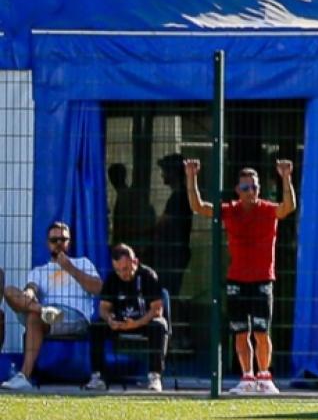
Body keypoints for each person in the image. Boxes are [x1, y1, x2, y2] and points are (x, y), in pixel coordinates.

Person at [185, 157, 295, 395]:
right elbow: (199, 206)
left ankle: (265, 377)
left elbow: (288, 207)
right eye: (245, 188)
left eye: (254, 187)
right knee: (240, 331)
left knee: (261, 331)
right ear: (237, 190)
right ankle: (247, 377)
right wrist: (191, 176)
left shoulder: (267, 209)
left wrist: (286, 178)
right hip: (237, 279)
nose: (250, 192)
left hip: (263, 278)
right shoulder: (230, 210)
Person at [1, 222, 102, 392]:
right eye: (54, 240)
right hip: (43, 312)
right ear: (48, 243)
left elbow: (98, 288)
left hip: (73, 315)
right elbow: (32, 287)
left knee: (34, 317)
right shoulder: (39, 270)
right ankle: (42, 311)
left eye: (63, 239)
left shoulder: (83, 263)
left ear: (69, 242)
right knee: (10, 291)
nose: (59, 243)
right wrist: (29, 294)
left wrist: (69, 268)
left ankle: (24, 376)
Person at [89, 244, 169, 391]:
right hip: (120, 323)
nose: (122, 274)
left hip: (144, 321)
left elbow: (157, 309)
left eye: (125, 269)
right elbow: (103, 308)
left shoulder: (148, 276)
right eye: (118, 270)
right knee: (96, 326)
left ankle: (154, 376)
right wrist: (110, 320)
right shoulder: (112, 279)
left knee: (159, 325)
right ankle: (98, 376)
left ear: (135, 262)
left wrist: (136, 323)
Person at [151, 154, 194, 305]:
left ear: (173, 172)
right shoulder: (179, 195)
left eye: (165, 170)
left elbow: (162, 223)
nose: (162, 174)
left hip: (173, 254)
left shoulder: (179, 197)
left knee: (167, 293)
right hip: (173, 252)